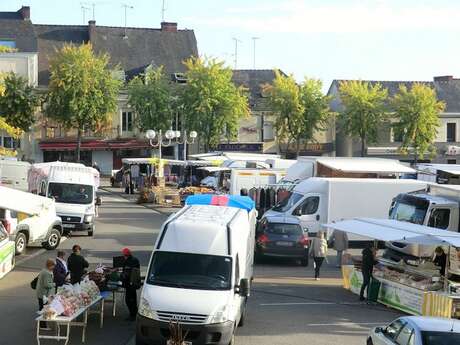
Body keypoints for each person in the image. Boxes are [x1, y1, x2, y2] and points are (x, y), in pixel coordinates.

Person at [121, 247, 141, 321]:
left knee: (129, 300)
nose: (123, 257)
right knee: (132, 299)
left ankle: (133, 315)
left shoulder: (130, 261)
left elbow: (127, 274)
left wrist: (121, 276)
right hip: (133, 284)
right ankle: (133, 314)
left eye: (124, 255)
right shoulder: (134, 259)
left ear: (126, 255)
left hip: (130, 284)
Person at [36, 259, 56, 328]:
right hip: (43, 294)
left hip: (41, 293)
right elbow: (46, 284)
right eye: (53, 265)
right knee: (43, 309)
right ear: (50, 265)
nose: (54, 267)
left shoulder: (44, 270)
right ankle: (42, 325)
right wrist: (53, 284)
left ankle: (42, 324)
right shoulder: (47, 273)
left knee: (42, 308)